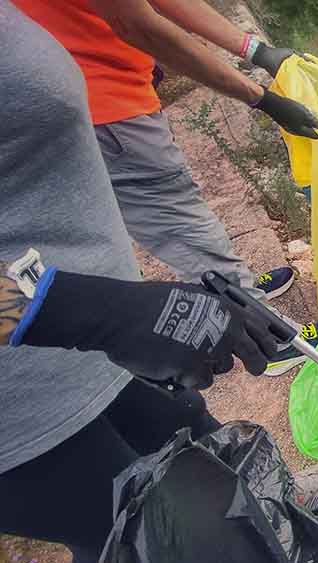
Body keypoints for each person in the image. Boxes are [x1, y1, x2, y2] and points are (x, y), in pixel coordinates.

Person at [0, 2, 281, 560]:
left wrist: (122, 311)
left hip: (104, 360)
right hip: (24, 412)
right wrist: (92, 311)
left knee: (245, 500)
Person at [11, 0, 318, 375]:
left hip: (103, 94)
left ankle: (239, 289)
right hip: (106, 110)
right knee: (181, 224)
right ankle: (269, 335)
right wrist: (260, 98)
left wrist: (253, 50)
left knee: (179, 217)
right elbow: (140, 24)